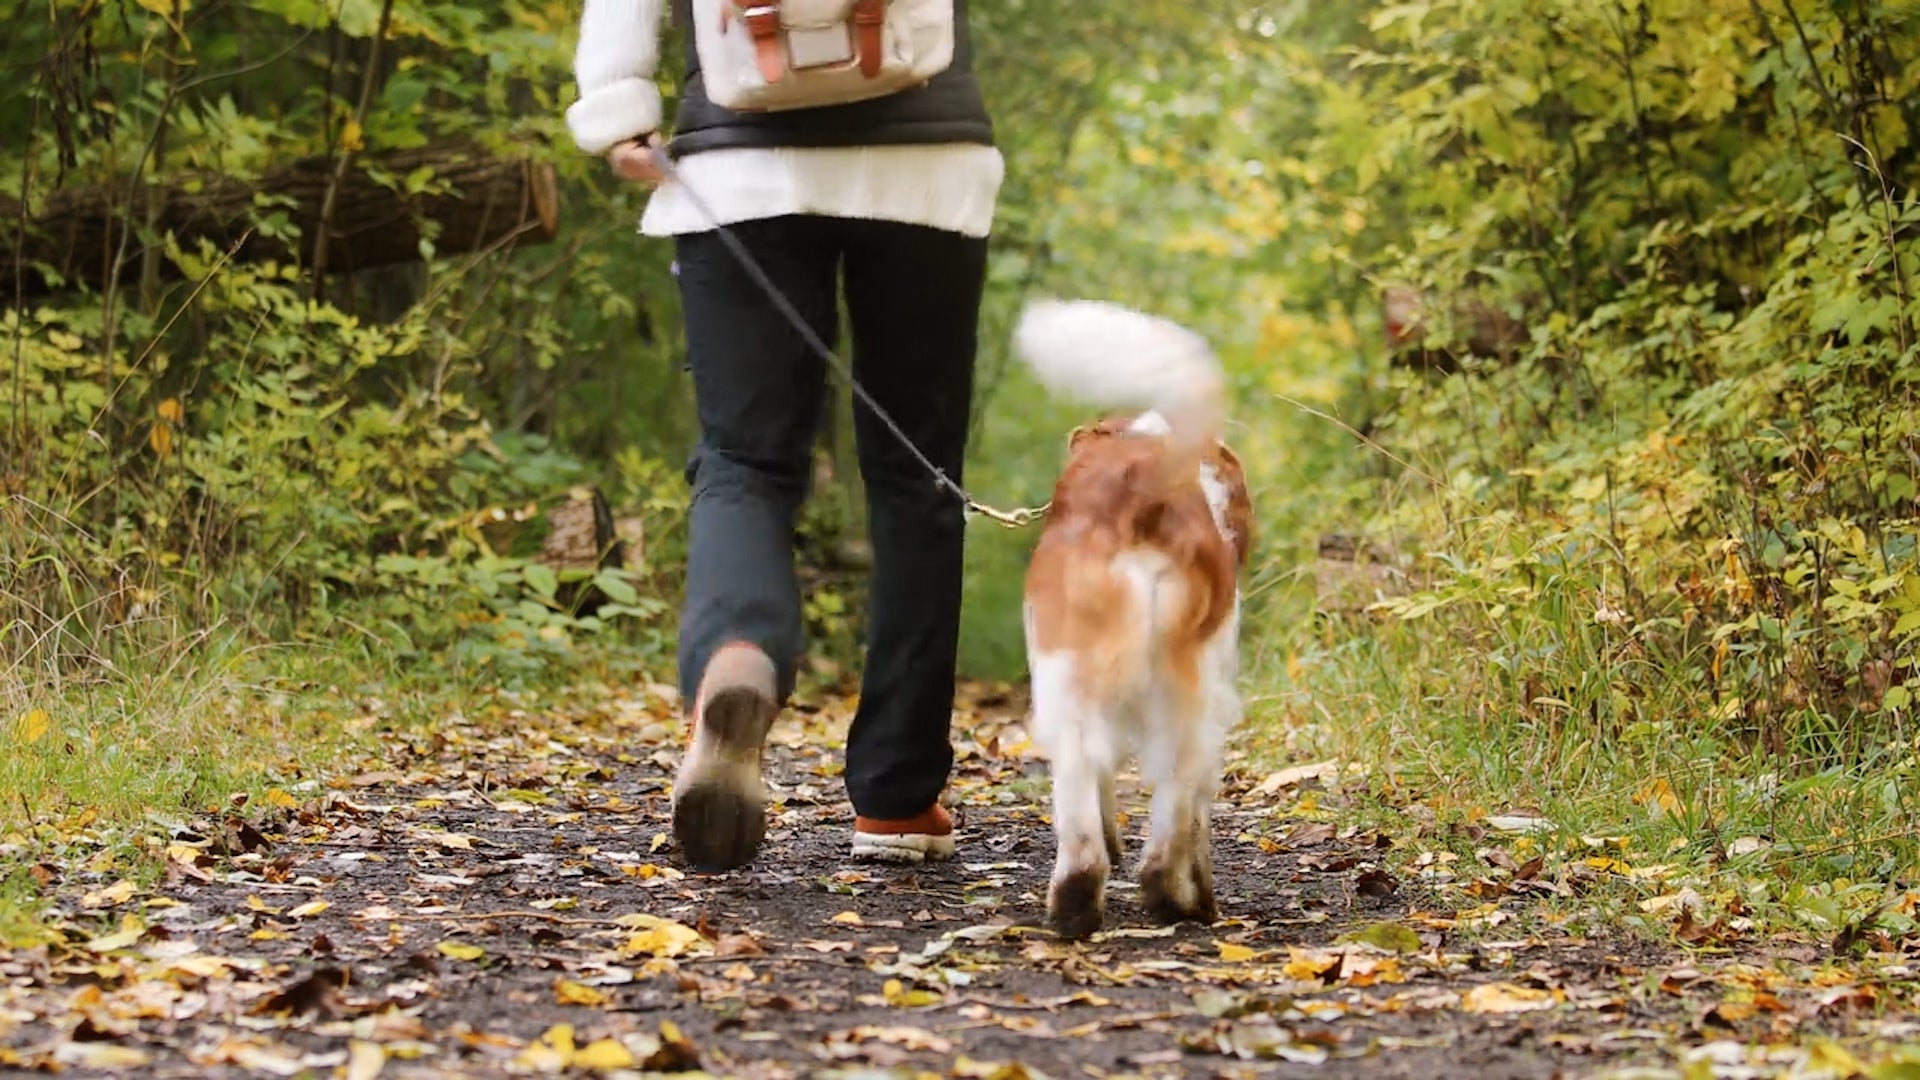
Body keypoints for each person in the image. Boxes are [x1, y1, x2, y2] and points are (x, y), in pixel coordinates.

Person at [566, 0, 1003, 872]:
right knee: (918, 476)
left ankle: (739, 652)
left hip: (738, 164)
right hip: (928, 160)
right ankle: (896, 796)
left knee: (745, 460)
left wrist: (621, 110)